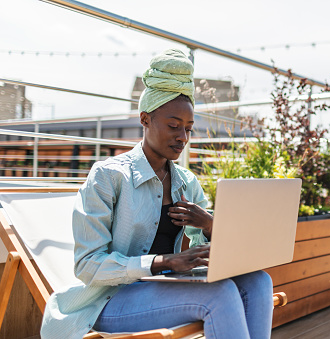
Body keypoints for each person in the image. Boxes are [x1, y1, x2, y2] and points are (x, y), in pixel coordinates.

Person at [40, 49, 274, 339]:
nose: (183, 138)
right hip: (109, 300)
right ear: (145, 119)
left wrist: (210, 225)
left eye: (188, 129)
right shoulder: (108, 176)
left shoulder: (186, 182)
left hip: (166, 288)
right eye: (174, 126)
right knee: (220, 294)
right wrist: (162, 262)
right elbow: (88, 265)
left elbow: (210, 253)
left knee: (259, 281)